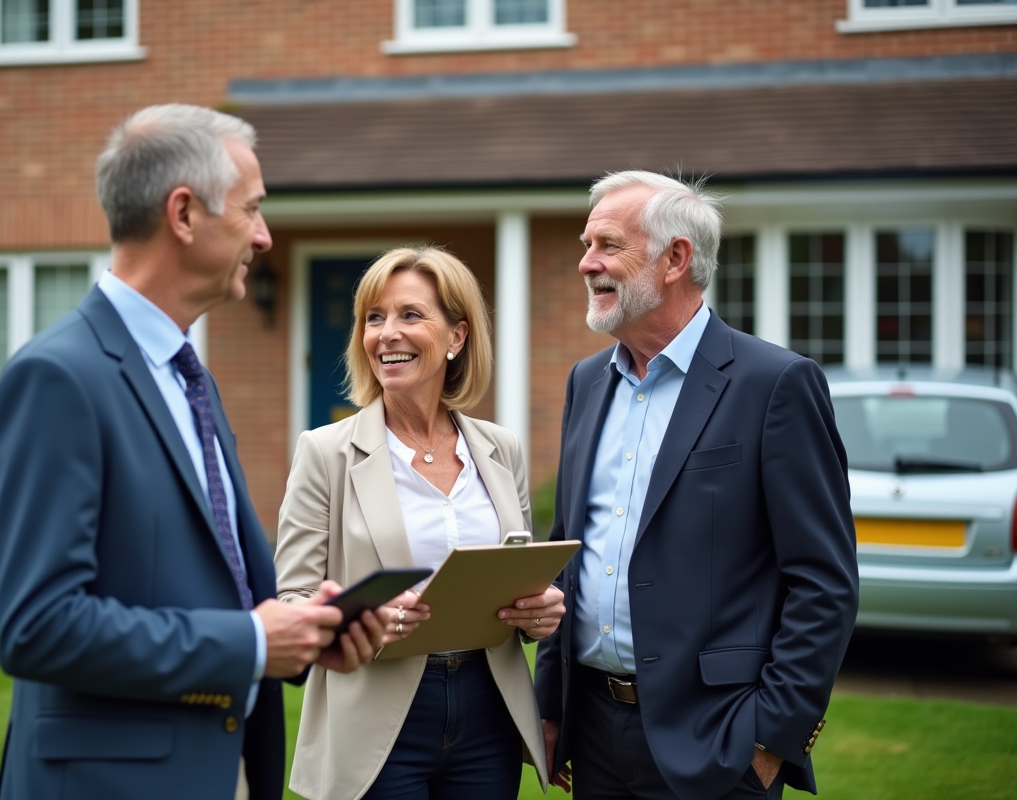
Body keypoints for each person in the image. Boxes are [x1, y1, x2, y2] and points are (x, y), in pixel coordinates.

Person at [0, 104, 383, 800]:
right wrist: (251, 644)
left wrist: (305, 628)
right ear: (185, 214)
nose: (264, 234)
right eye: (252, 209)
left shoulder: (188, 377)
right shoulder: (58, 378)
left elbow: (208, 581)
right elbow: (35, 626)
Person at [534, 171, 859, 800]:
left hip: (717, 744)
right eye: (585, 243)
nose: (585, 263)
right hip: (594, 737)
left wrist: (769, 740)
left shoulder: (776, 384)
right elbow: (570, 554)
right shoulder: (587, 381)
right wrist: (553, 708)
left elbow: (824, 582)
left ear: (675, 258)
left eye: (606, 244)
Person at [274, 246, 565, 800]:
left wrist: (538, 610)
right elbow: (293, 599)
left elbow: (512, 579)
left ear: (457, 337)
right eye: (374, 318)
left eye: (410, 315)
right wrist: (360, 620)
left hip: (489, 711)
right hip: (374, 719)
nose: (387, 333)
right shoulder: (324, 452)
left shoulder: (500, 449)